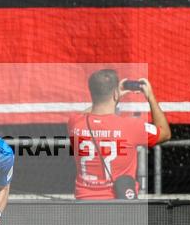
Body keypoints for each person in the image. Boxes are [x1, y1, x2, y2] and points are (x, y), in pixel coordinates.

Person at [68, 70, 171, 200]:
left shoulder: (75, 123)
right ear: (115, 93)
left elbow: (87, 112)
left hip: (83, 203)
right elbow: (165, 133)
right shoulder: (132, 126)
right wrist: (150, 97)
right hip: (119, 205)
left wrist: (113, 97)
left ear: (92, 92)